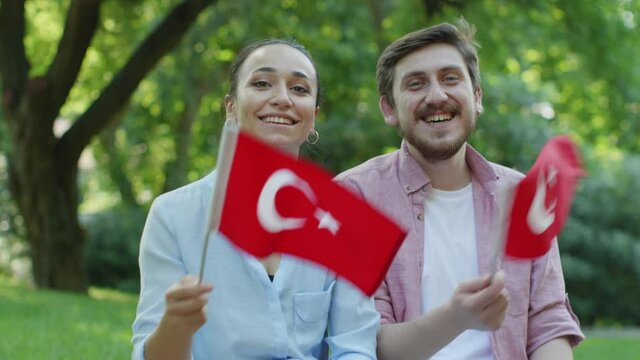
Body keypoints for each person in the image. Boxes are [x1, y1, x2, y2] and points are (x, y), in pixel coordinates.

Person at [335, 19, 584, 360]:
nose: (437, 96)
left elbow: (548, 322)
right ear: (389, 109)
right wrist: (456, 318)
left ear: (477, 97)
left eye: (450, 78)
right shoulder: (354, 197)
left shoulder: (522, 197)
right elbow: (366, 343)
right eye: (416, 83)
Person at [132, 38, 379, 360]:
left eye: (300, 89)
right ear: (231, 106)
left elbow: (355, 347)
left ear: (314, 116)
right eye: (262, 83)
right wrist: (174, 326)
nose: (282, 98)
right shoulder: (174, 215)